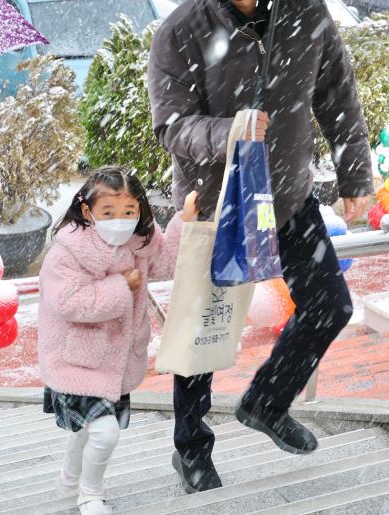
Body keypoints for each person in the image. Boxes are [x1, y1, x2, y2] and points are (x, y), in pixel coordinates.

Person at [148, 0, 373, 494]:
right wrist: (229, 131)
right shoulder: (182, 28)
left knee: (330, 304)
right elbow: (171, 125)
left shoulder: (306, 12)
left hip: (287, 195)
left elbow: (337, 96)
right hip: (217, 200)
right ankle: (191, 449)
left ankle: (267, 400)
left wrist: (357, 174)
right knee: (203, 329)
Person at [38, 167, 197, 515]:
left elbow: (168, 264)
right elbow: (67, 302)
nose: (120, 221)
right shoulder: (67, 252)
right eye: (108, 213)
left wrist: (184, 221)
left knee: (87, 430)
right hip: (75, 362)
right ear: (87, 211)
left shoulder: (141, 241)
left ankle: (68, 478)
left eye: (129, 212)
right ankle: (89, 495)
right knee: (105, 432)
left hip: (116, 360)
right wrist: (121, 287)